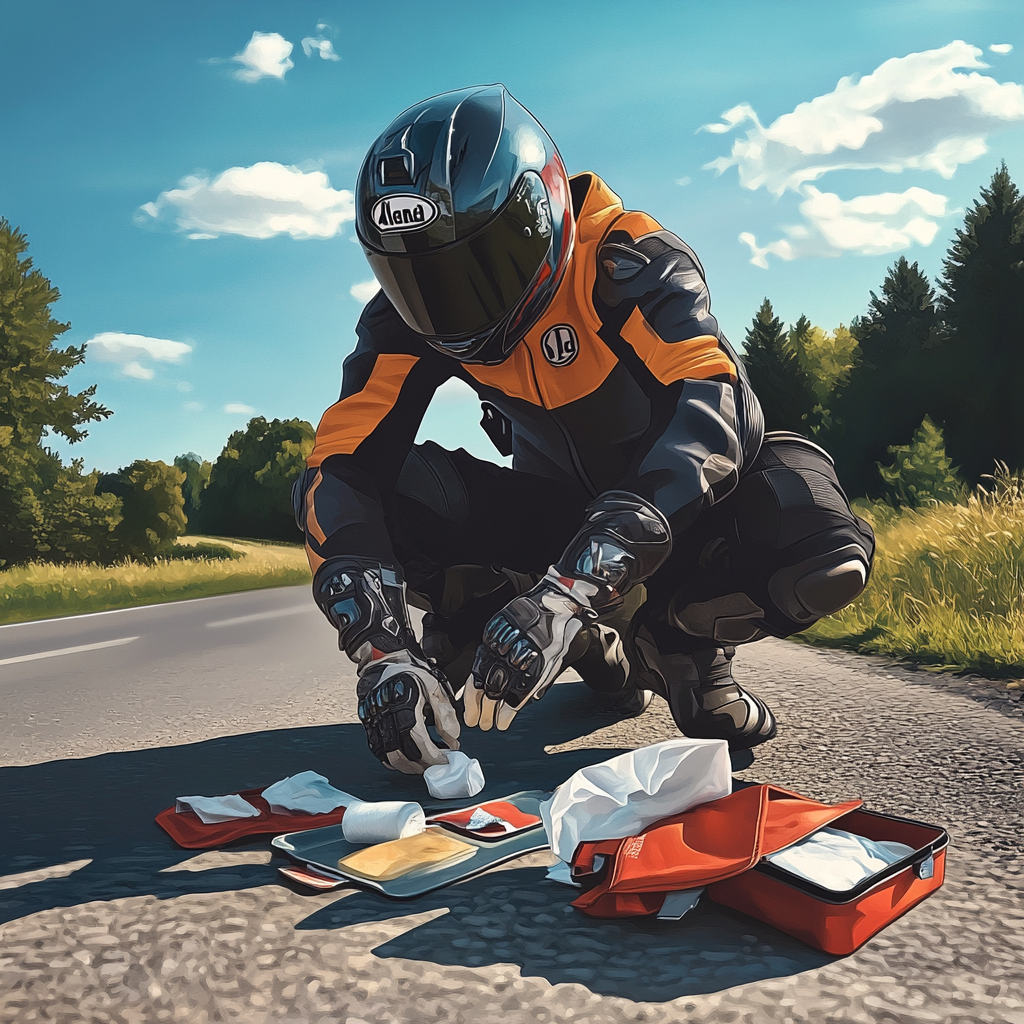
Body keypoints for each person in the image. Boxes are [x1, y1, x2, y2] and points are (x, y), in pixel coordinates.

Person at [294, 85, 875, 775]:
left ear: (540, 212)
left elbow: (717, 404)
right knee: (375, 488)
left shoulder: (628, 260)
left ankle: (678, 641)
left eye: (477, 268)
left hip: (675, 520)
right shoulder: (403, 323)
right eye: (418, 280)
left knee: (815, 534)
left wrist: (569, 591)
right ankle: (512, 633)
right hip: (547, 525)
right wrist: (381, 649)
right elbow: (341, 466)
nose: (450, 307)